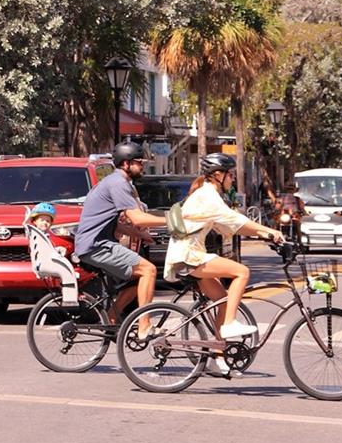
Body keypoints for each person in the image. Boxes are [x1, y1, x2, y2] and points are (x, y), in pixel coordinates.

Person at [164, 154, 284, 352]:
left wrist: (264, 234)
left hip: (188, 254)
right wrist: (271, 231)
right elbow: (234, 220)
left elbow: (231, 226)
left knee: (223, 301)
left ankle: (217, 356)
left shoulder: (207, 194)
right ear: (218, 175)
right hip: (190, 255)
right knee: (241, 272)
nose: (233, 179)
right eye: (230, 175)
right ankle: (229, 324)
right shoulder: (207, 195)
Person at [72, 142, 169, 316]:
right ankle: (144, 325)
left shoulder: (113, 181)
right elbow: (137, 218)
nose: (142, 166)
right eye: (139, 162)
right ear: (126, 163)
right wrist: (173, 220)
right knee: (149, 270)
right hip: (97, 246)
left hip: (94, 244)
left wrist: (139, 234)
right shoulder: (118, 183)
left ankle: (111, 317)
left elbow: (116, 223)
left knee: (136, 279)